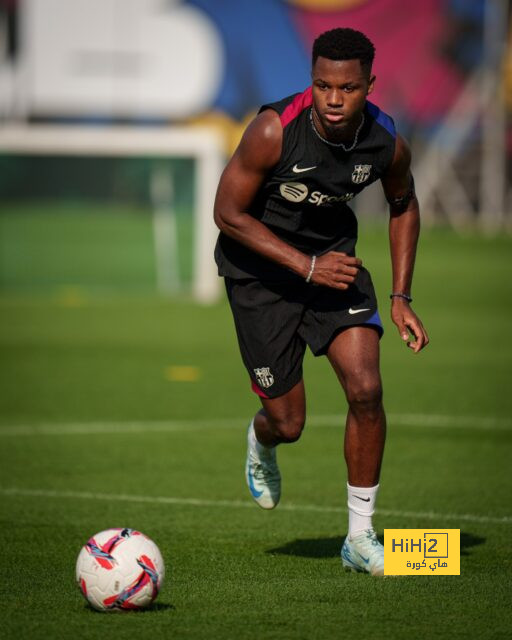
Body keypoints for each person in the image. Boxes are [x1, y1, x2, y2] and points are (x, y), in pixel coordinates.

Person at [213, 27, 429, 577]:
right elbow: (227, 214)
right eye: (322, 86)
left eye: (347, 88)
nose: (333, 100)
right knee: (290, 424)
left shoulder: (386, 141)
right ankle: (261, 440)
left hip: (334, 266)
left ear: (368, 86)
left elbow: (403, 203)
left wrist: (401, 296)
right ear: (311, 82)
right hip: (260, 277)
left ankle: (359, 539)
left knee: (367, 388)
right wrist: (304, 265)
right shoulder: (271, 130)